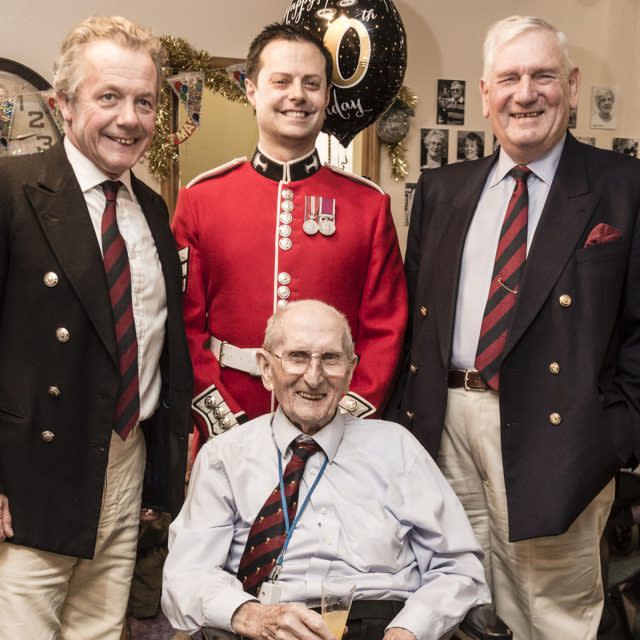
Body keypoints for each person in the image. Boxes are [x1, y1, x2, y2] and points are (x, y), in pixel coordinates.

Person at [390, 14, 640, 640]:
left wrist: (615, 431)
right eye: (509, 78)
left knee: (551, 610)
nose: (525, 93)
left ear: (573, 86)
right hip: (445, 422)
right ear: (485, 93)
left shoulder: (622, 187)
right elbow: (413, 317)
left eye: (543, 76)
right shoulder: (442, 189)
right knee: (455, 596)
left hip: (561, 432)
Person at [0, 16, 193, 639]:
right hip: (29, 485)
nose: (128, 118)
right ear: (63, 106)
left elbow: (160, 345)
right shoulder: (12, 192)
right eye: (108, 97)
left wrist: (159, 478)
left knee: (100, 632)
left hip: (124, 474)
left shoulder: (154, 209)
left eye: (143, 101)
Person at [162, 300, 490, 640]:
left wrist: (411, 628)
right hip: (268, 627)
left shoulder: (398, 448)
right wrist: (252, 617)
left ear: (350, 371)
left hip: (381, 623)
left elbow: (459, 569)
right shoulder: (224, 457)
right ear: (265, 367)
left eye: (330, 359)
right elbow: (186, 575)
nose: (314, 377)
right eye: (297, 357)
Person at [171, 23, 406, 443]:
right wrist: (224, 422)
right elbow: (184, 328)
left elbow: (385, 331)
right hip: (231, 421)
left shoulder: (368, 206)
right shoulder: (201, 199)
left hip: (336, 433)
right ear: (251, 90)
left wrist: (342, 424)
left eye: (311, 83)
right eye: (281, 81)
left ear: (327, 97)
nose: (297, 95)